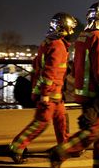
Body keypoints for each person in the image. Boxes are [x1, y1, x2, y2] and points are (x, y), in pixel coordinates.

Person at [49, 2, 99, 168]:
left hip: (84, 90)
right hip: (95, 93)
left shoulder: (83, 36)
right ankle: (61, 151)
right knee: (93, 130)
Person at [8, 12, 77, 164]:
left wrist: (37, 89)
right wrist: (45, 93)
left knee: (61, 119)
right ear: (63, 28)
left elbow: (36, 67)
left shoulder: (47, 42)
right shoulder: (58, 45)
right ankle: (17, 146)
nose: (71, 32)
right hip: (50, 92)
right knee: (42, 122)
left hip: (55, 92)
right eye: (70, 28)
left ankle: (65, 147)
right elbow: (49, 72)